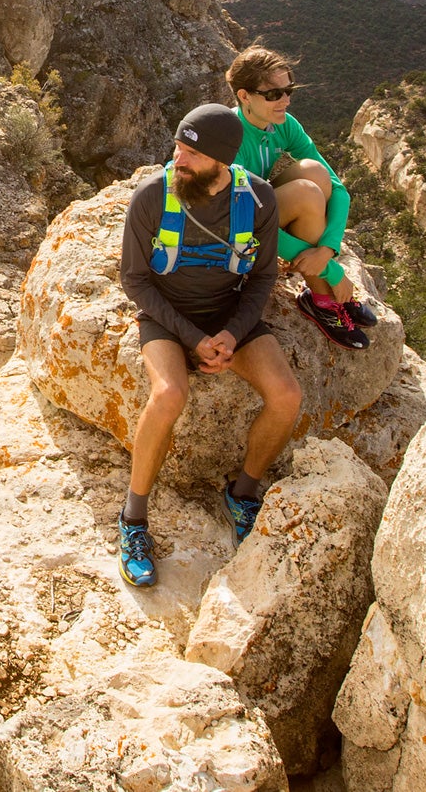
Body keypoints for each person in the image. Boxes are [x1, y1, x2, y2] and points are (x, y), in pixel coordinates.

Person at [113, 103, 305, 587]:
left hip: (228, 317)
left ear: (222, 160)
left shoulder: (257, 199)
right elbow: (135, 280)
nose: (178, 159)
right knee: (169, 394)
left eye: (192, 153)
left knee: (287, 396)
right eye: (178, 147)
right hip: (167, 317)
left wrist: (232, 334)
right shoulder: (152, 196)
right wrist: (194, 339)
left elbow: (262, 279)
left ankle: (242, 492)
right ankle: (133, 519)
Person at [223, 46, 378, 351]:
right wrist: (332, 271)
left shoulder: (284, 125)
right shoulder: (230, 136)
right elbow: (240, 221)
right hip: (229, 227)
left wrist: (327, 250)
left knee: (314, 172)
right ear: (244, 96)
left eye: (288, 90)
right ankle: (322, 299)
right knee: (306, 193)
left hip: (256, 209)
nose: (286, 100)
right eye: (274, 94)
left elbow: (338, 189)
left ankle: (323, 292)